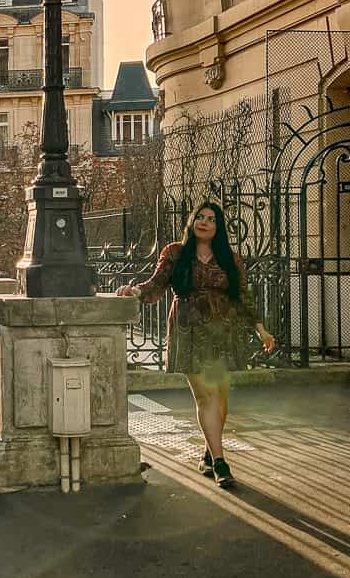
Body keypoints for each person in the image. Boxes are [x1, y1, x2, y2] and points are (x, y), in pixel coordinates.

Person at [117, 201, 274, 487]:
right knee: (205, 396)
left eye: (211, 219)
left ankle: (208, 452)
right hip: (189, 333)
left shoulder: (231, 258)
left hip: (222, 335)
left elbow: (242, 297)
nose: (204, 222)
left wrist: (261, 329)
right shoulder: (175, 253)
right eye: (199, 217)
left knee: (220, 397)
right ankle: (220, 462)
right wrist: (135, 291)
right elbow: (157, 284)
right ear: (191, 222)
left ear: (219, 227)